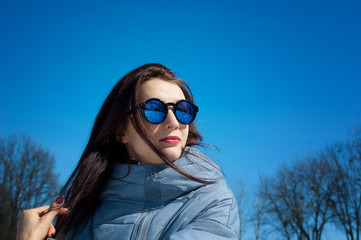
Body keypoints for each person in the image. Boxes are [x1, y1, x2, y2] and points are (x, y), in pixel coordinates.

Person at [18, 63, 240, 239]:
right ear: (120, 130)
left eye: (182, 110)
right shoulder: (82, 214)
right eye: (154, 109)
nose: (173, 122)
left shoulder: (213, 202)